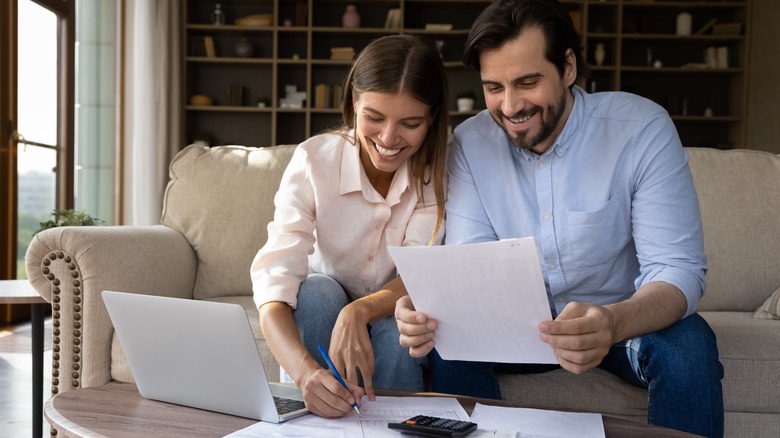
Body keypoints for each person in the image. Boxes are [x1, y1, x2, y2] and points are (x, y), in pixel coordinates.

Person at [393, 0, 724, 436]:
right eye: (494, 87)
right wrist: (431, 309)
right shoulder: (471, 144)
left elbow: (677, 269)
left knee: (689, 343)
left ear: (568, 67)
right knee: (446, 343)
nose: (510, 106)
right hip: (516, 331)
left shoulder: (640, 130)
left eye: (527, 82)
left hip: (621, 325)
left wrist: (613, 322)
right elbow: (472, 266)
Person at [251, 34, 449, 419]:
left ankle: (392, 427)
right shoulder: (314, 160)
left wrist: (357, 312)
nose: (388, 139)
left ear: (431, 118)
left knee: (399, 329)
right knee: (316, 293)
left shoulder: (436, 173)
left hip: (392, 308)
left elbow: (418, 273)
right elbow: (274, 285)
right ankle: (312, 415)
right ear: (354, 100)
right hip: (323, 303)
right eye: (374, 118)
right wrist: (305, 374)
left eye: (410, 124)